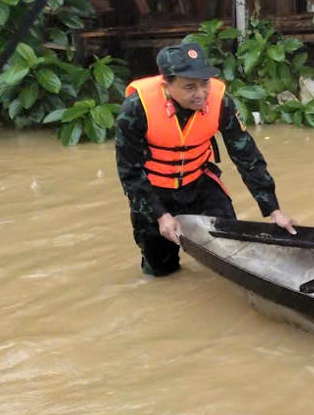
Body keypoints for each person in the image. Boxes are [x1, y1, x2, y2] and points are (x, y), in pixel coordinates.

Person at [115, 43, 296, 277]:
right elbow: (129, 171)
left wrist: (273, 209)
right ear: (167, 86)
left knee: (232, 246)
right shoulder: (136, 109)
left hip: (200, 184)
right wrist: (160, 214)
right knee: (161, 270)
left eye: (205, 84)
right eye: (190, 87)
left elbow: (246, 154)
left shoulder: (221, 102)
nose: (200, 94)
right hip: (154, 192)